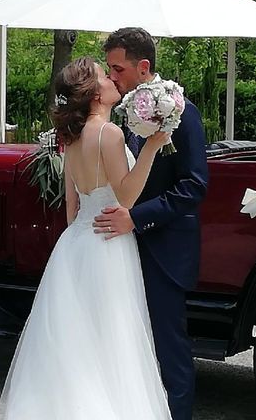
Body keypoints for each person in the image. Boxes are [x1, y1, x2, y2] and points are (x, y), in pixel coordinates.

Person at [0, 57, 172, 419]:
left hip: (75, 244)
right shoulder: (109, 133)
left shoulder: (71, 137)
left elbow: (71, 206)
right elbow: (125, 198)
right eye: (102, 75)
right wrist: (153, 148)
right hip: (107, 244)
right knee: (111, 342)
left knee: (75, 349)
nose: (111, 78)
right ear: (94, 94)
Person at [94, 27, 209, 420]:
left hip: (164, 249)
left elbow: (194, 185)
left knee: (168, 344)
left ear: (144, 67)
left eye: (118, 69)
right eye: (109, 69)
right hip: (121, 248)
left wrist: (137, 218)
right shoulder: (122, 114)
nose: (112, 77)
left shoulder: (181, 110)